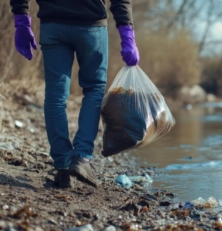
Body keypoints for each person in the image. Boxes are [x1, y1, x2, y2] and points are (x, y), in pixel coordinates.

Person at [9, 0, 139, 188]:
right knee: (94, 89)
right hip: (91, 24)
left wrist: (21, 19)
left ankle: (62, 166)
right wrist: (127, 34)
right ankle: (82, 156)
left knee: (55, 95)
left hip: (53, 23)